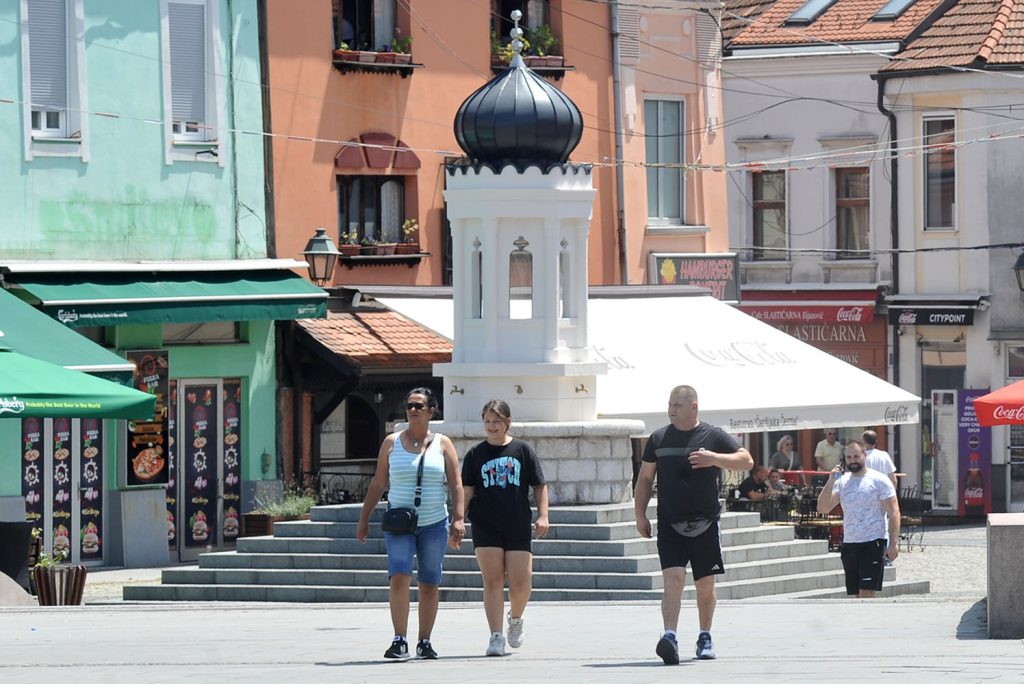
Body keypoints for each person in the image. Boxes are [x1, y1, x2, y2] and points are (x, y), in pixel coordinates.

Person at [634, 385, 754, 665]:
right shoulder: (659, 438)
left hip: (706, 522)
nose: (671, 410)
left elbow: (746, 461)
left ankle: (705, 635)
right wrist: (640, 515)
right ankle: (670, 636)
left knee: (705, 584)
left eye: (677, 405)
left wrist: (714, 459)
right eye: (670, 404)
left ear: (694, 407)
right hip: (669, 522)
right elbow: (645, 479)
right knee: (673, 579)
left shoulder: (712, 435)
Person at [357, 387, 465, 660]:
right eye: (409, 406)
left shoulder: (443, 444)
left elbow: (456, 484)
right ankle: (399, 640)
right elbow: (378, 483)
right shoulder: (391, 442)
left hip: (434, 523)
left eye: (419, 406)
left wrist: (459, 519)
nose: (413, 410)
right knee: (399, 576)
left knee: (429, 582)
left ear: (432, 411)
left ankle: (424, 641)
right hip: (399, 522)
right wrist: (364, 517)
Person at [460, 399, 549, 657]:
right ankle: (496, 635)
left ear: (508, 422)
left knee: (521, 584)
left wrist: (543, 515)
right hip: (485, 524)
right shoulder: (475, 454)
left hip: (517, 523)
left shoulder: (522, 450)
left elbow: (539, 485)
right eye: (487, 421)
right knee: (493, 580)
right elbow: (467, 490)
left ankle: (516, 618)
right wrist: (458, 519)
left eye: (496, 421)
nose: (491, 426)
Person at [817, 439, 900, 598]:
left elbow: (894, 512)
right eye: (848, 457)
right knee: (856, 594)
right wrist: (830, 481)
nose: (852, 461)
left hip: (874, 541)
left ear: (864, 456)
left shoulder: (879, 480)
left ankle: (869, 615)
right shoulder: (842, 481)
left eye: (856, 456)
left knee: (867, 591)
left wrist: (893, 544)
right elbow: (823, 508)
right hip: (850, 542)